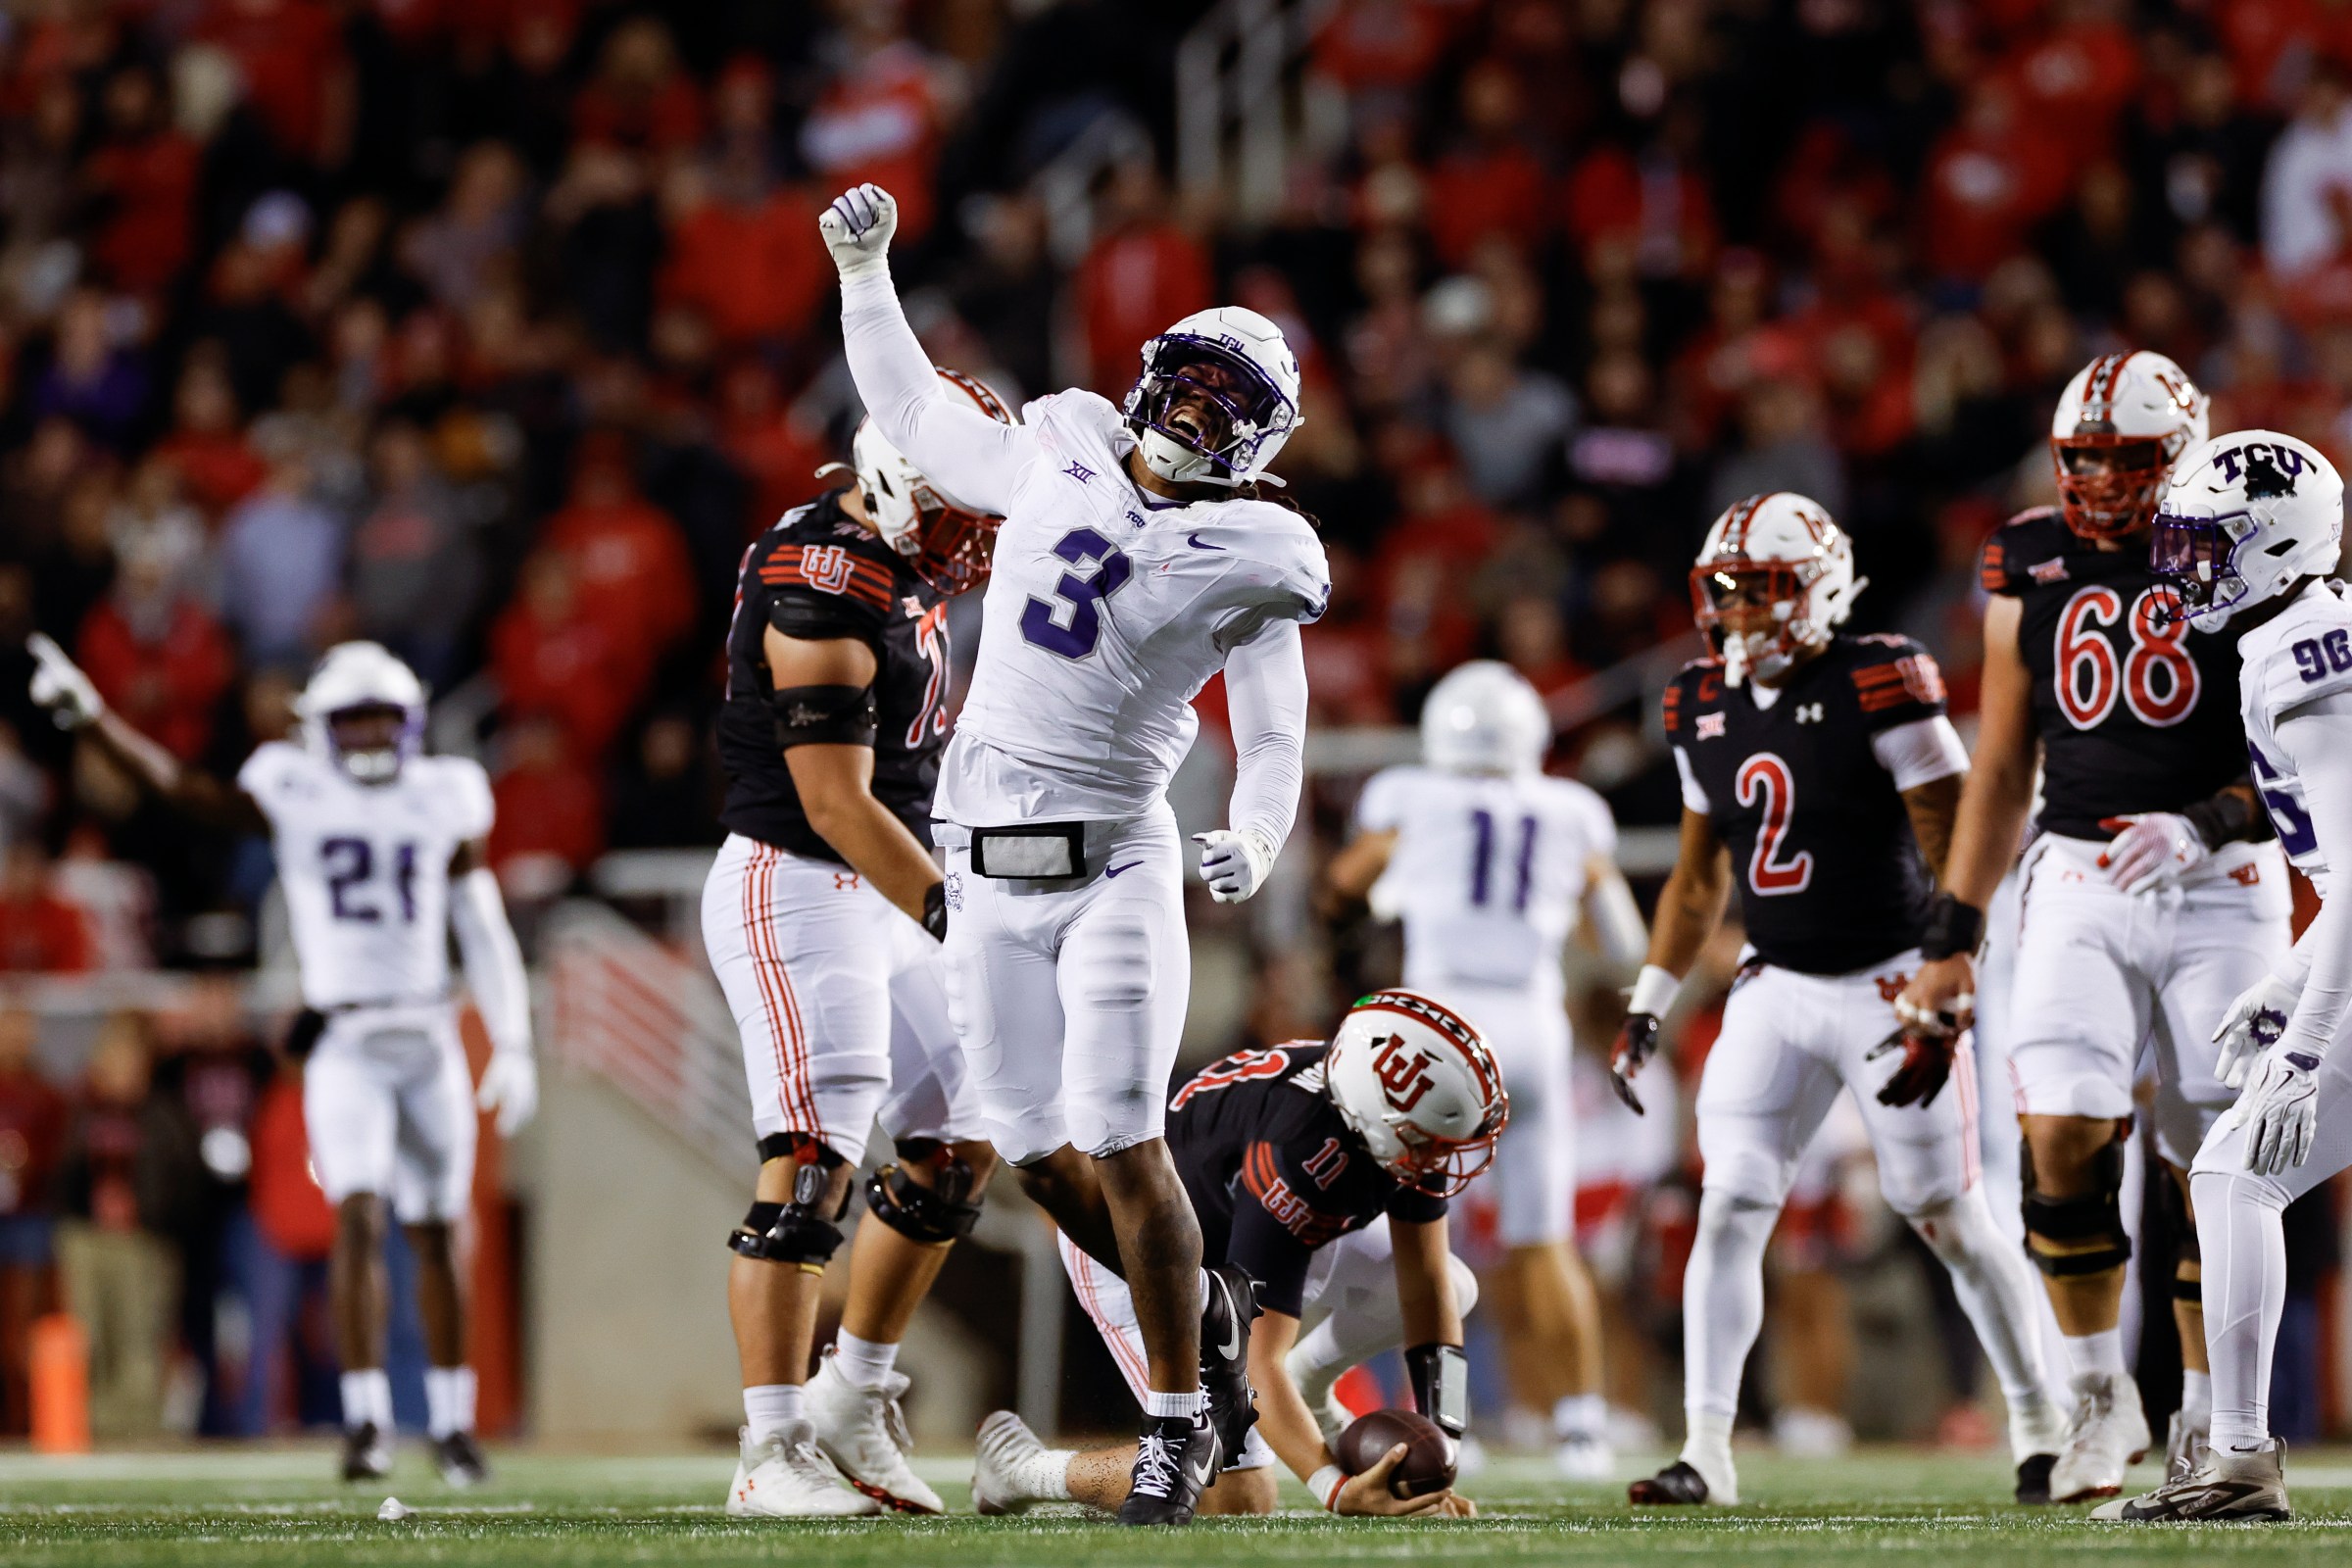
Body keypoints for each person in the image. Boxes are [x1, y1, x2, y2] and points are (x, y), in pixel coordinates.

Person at [822, 181, 1331, 1525]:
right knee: (1037, 1153)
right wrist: (867, 277)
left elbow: (1274, 735)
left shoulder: (1261, 548)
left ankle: (1178, 1424)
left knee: (1122, 1136)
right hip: (983, 870)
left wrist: (1255, 839)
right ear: (1156, 373)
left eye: (1233, 401)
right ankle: (1211, 1331)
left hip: (1114, 862)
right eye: (1195, 383)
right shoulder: (1058, 443)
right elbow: (923, 421)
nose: (1200, 413)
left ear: (1262, 436)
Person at [1611, 493, 2065, 1506]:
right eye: (1721, 594)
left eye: (1760, 592)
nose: (1734, 615)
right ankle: (1708, 1452)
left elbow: (1957, 829)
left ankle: (2041, 1424)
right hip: (1774, 982)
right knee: (1728, 1205)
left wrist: (1953, 969)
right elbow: (1697, 878)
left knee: (1945, 1209)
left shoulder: (1879, 676)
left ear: (1819, 590)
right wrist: (1650, 999)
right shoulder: (1695, 700)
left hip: (1888, 977)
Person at [1896, 353, 2289, 1500]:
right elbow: (2005, 755)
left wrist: (2212, 818)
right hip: (2075, 870)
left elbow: (2311, 747)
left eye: (2129, 458)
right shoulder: (2029, 552)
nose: (2105, 483)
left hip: (2223, 882)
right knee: (2061, 1135)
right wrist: (1951, 933)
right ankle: (2098, 1398)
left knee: (2213, 1157)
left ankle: (2215, 1419)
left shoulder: (2251, 537)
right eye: (2086, 459)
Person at [26, 637, 535, 1485]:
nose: (371, 736)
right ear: (320, 729)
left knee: (442, 1230)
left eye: (384, 717)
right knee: (360, 1216)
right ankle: (369, 1422)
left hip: (428, 1029)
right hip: (341, 1039)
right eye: (354, 719)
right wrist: (94, 718)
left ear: (411, 722)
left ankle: (452, 1422)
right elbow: (179, 786)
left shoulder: (447, 795)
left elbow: (482, 924)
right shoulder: (293, 789)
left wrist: (513, 1039)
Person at [705, 373, 1009, 1518]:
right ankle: (768, 1448)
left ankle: (852, 1394)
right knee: (811, 1165)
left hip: (889, 881)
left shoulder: (893, 547)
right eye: (957, 505)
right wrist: (951, 910)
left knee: (962, 1139)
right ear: (894, 480)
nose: (974, 532)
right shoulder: (821, 584)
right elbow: (832, 799)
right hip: (804, 885)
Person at [972, 990, 1495, 1520]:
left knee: (1454, 1286)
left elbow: (1425, 1285)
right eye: (1427, 1141)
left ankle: (1313, 1386)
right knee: (1235, 1496)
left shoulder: (1375, 1112)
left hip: (1233, 1240)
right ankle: (1019, 1468)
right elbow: (1254, 1367)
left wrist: (1442, 1442)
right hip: (1139, 1254)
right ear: (1381, 1118)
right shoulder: (1300, 1151)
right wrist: (1336, 1490)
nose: (1440, 1159)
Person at [2103, 429, 2348, 1521]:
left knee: (2234, 1170)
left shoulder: (2308, 654)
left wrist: (2302, 1048)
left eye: (2210, 546)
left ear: (2279, 544)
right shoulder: (2291, 634)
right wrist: (2292, 982)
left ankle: (2240, 1459)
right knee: (2233, 1170)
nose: (2185, 568)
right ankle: (2235, 1456)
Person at [1323, 660, 1644, 1477]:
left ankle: (1441, 1425)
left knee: (1422, 1242)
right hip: (1534, 1023)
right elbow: (1624, 943)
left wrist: (1366, 901)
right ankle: (1583, 1429)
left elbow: (1343, 884)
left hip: (1441, 1029)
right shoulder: (1572, 809)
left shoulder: (1409, 795)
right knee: (1546, 1239)